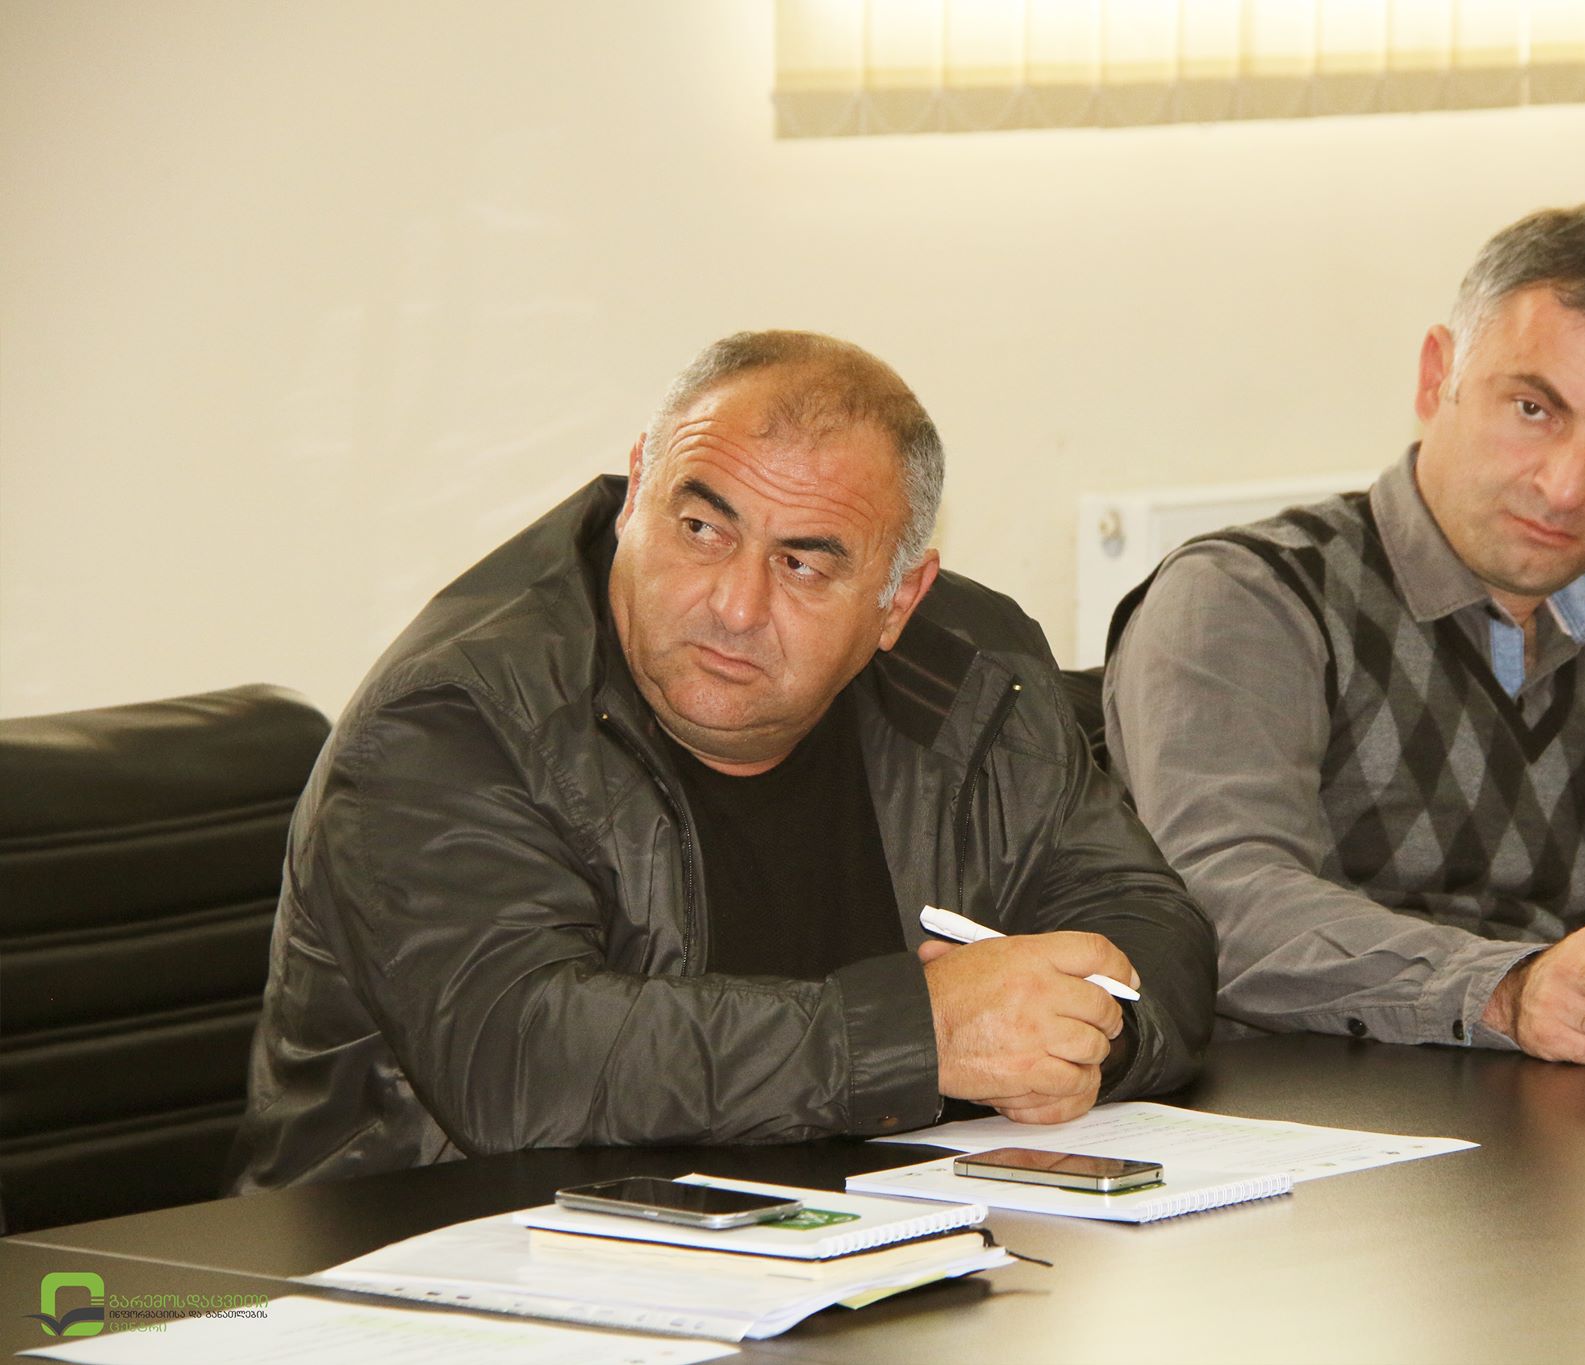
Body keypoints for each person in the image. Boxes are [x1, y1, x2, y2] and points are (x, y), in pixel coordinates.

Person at [231, 331, 1214, 1190]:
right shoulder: (455, 716)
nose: (735, 606)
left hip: (847, 1244)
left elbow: (1148, 922)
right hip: (438, 1264)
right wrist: (923, 1035)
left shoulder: (970, 675)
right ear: (636, 493)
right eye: (701, 528)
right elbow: (519, 1059)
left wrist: (1074, 1035)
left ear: (899, 601)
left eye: (802, 563)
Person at [1104, 206, 1585, 1066]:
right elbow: (1217, 908)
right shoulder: (1250, 597)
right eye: (1534, 408)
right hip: (1281, 1122)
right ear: (1437, 376)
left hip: (1535, 1128)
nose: (1567, 485)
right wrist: (1505, 989)